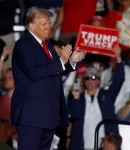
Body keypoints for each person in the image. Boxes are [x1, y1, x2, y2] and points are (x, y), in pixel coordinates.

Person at [10, 8, 85, 150]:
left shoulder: (46, 45)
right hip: (31, 116)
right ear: (31, 26)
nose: (49, 27)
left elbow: (53, 71)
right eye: (44, 24)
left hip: (48, 116)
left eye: (49, 23)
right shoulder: (24, 44)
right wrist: (61, 61)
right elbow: (34, 73)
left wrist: (71, 61)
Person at [68, 46, 125, 150]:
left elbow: (119, 79)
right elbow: (72, 117)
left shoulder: (107, 96)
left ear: (99, 80)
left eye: (93, 77)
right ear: (83, 81)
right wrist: (75, 99)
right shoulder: (78, 98)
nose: (90, 80)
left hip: (105, 146)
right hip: (82, 146)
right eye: (87, 77)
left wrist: (118, 57)